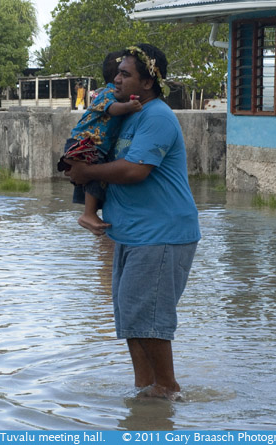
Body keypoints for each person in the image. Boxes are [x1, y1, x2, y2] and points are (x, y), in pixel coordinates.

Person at [64, 44, 201, 400]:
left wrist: (85, 172)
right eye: (117, 72)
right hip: (132, 234)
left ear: (149, 81)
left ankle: (168, 389)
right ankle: (146, 391)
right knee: (131, 317)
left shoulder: (157, 117)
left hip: (161, 233)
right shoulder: (127, 115)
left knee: (148, 317)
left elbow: (136, 170)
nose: (117, 78)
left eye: (125, 74)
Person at [58, 51, 142, 235]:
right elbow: (110, 109)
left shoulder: (116, 95)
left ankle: (90, 213)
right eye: (123, 73)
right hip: (85, 143)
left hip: (92, 145)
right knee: (95, 176)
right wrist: (129, 106)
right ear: (117, 78)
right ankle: (88, 214)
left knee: (92, 179)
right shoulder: (108, 93)